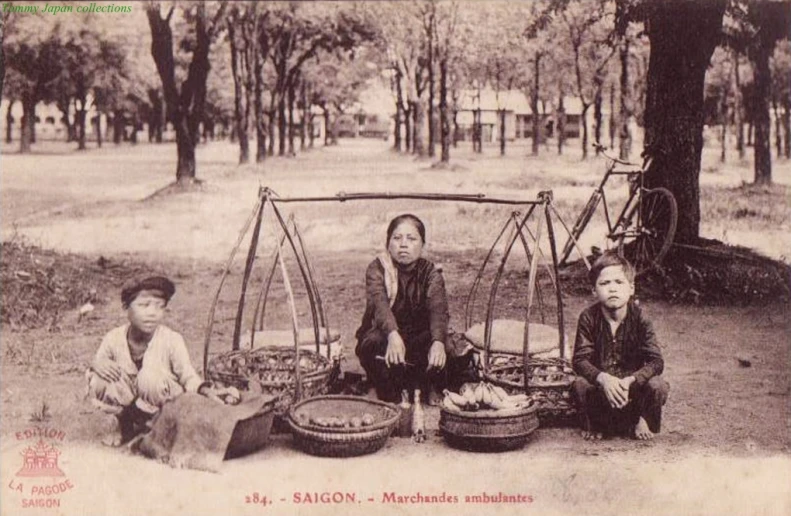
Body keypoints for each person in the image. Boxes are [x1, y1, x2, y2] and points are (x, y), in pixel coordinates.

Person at [86, 275, 234, 446]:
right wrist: (97, 364)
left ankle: (157, 427)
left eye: (159, 307)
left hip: (161, 404)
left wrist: (206, 391)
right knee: (101, 377)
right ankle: (123, 421)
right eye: (143, 305)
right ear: (127, 307)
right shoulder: (113, 338)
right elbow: (97, 366)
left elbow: (188, 376)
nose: (152, 313)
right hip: (128, 402)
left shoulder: (172, 340)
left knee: (149, 377)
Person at [571, 252, 669, 440]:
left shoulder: (641, 318)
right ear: (594, 291)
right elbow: (580, 360)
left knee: (658, 386)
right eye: (604, 283)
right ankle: (595, 423)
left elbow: (657, 362)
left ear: (631, 288)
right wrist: (603, 378)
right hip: (602, 390)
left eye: (619, 282)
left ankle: (641, 418)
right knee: (580, 384)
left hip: (631, 389)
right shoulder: (588, 317)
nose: (612, 289)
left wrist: (632, 380)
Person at [355, 214, 451, 404]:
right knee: (371, 343)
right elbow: (380, 305)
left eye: (411, 238)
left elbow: (438, 309)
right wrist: (392, 334)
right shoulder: (377, 269)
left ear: (422, 244)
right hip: (385, 335)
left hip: (417, 338)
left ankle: (427, 384)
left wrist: (438, 341)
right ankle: (380, 385)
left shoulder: (431, 273)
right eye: (397, 238)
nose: (403, 244)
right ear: (388, 244)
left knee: (446, 346)